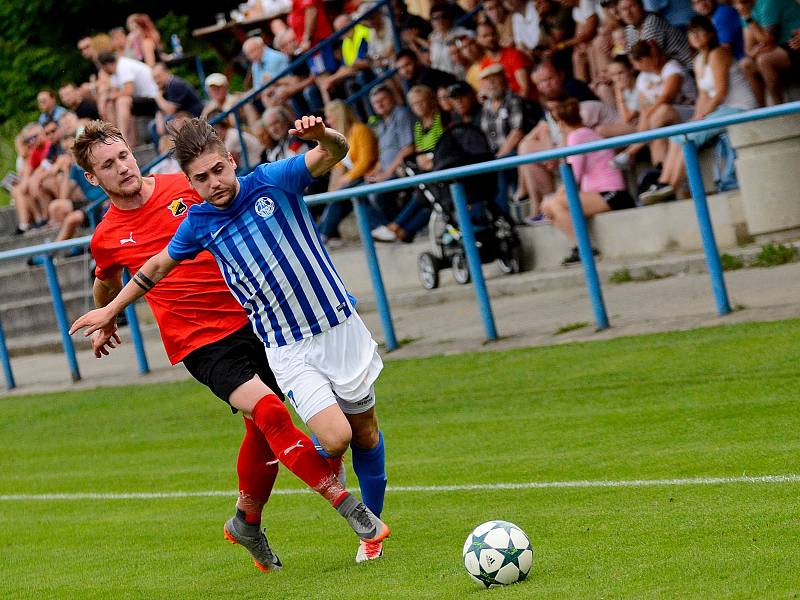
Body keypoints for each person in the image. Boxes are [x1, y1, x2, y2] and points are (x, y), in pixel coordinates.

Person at [70, 116, 391, 564]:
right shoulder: (107, 235)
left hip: (254, 321)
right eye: (108, 164)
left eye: (124, 155)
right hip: (199, 342)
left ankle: (246, 521)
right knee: (271, 412)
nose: (122, 167)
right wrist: (108, 315)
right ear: (92, 177)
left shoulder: (188, 187)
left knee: (263, 433)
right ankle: (346, 505)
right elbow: (111, 279)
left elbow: (306, 167)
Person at [639, 15, 758, 203]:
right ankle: (664, 182)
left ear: (711, 33)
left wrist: (701, 116)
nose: (694, 36)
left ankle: (671, 185)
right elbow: (703, 95)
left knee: (687, 136)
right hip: (722, 109)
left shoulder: (719, 53)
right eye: (691, 32)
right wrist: (695, 117)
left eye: (699, 31)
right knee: (679, 134)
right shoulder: (698, 60)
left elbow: (720, 93)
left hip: (740, 108)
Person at [541, 98, 634, 264]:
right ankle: (581, 248)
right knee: (551, 206)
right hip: (605, 193)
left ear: (560, 124)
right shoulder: (587, 133)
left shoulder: (576, 137)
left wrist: (553, 199)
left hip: (612, 194)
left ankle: (585, 249)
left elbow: (573, 176)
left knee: (554, 204)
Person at [612, 40, 697, 170]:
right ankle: (659, 173)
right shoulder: (643, 77)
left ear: (645, 59)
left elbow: (667, 97)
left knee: (661, 111)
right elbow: (643, 108)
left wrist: (648, 116)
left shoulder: (672, 68)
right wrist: (646, 118)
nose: (635, 67)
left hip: (690, 114)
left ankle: (630, 152)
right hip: (662, 121)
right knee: (657, 135)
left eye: (636, 62)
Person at [318, 101, 379, 247]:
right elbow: (338, 166)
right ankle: (324, 234)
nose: (328, 121)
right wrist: (332, 189)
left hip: (370, 175)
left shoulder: (360, 130)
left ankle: (323, 235)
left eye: (330, 117)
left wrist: (346, 178)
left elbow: (366, 161)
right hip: (355, 180)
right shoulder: (341, 137)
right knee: (336, 198)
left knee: (342, 195)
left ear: (339, 116)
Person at [735, 0, 800, 105]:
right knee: (746, 64)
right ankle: (761, 110)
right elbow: (749, 50)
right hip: (782, 47)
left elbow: (767, 40)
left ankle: (778, 108)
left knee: (764, 60)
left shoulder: (768, 2)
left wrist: (748, 17)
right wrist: (757, 49)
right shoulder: (744, 10)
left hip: (794, 43)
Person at [97, 52, 159, 144]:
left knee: (123, 101)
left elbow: (129, 91)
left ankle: (123, 138)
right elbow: (114, 92)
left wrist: (111, 96)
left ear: (106, 65)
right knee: (112, 104)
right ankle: (118, 138)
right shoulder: (115, 73)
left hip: (154, 98)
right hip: (141, 100)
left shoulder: (123, 66)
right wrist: (105, 99)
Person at [618, 0, 695, 69]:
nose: (628, 13)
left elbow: (648, 61)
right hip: (670, 70)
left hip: (688, 68)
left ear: (641, 6)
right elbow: (633, 59)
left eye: (632, 6)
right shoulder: (630, 28)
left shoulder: (652, 22)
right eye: (624, 9)